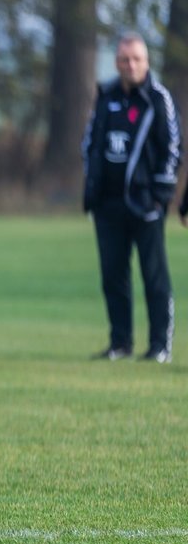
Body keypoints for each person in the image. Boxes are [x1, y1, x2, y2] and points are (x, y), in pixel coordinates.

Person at [83, 32, 182, 363]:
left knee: (154, 276)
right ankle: (120, 343)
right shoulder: (106, 95)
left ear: (146, 61)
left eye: (137, 59)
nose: (131, 65)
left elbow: (172, 149)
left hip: (145, 203)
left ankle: (159, 347)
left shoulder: (158, 99)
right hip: (108, 203)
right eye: (125, 59)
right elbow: (91, 144)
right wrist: (92, 188)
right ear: (116, 62)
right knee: (113, 276)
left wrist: (160, 195)